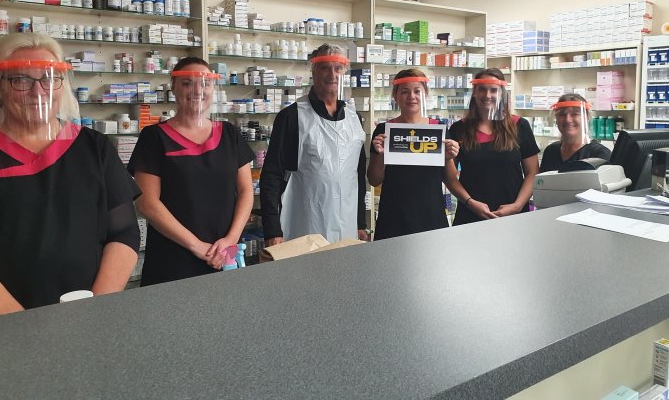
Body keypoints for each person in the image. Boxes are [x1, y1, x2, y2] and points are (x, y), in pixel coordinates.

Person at [0, 33, 140, 318]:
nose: (39, 93)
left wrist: (95, 310)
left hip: (88, 318)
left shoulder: (94, 147)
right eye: (21, 80)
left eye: (49, 79)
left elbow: (123, 232)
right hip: (2, 327)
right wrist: (28, 328)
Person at [128, 57, 254, 286]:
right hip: (173, 258)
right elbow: (146, 202)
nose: (197, 90)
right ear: (173, 88)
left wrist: (230, 240)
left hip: (225, 254)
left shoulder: (229, 134)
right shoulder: (154, 137)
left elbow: (246, 191)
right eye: (187, 83)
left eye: (205, 83)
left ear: (213, 89)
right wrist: (198, 246)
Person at [260, 43, 368, 245]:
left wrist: (360, 222)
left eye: (338, 68)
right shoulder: (293, 116)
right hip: (304, 223)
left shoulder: (355, 119)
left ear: (344, 73)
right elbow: (271, 175)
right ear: (313, 71)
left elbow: (358, 175)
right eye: (325, 67)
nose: (332, 74)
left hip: (347, 224)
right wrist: (272, 230)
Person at [367, 69, 459, 240]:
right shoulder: (384, 130)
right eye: (404, 91)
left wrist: (449, 157)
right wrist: (380, 154)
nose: (412, 96)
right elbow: (374, 179)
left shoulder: (438, 130)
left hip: (431, 215)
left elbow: (451, 178)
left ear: (426, 94)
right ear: (395, 95)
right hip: (393, 217)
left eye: (417, 91)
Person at [445, 68, 540, 225]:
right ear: (474, 93)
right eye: (482, 89)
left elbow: (532, 172)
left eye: (493, 90)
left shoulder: (519, 125)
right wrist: (470, 202)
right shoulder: (459, 129)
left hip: (513, 215)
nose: (487, 95)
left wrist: (517, 206)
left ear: (502, 93)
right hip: (470, 215)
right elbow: (449, 176)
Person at [540, 93, 611, 172]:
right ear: (556, 119)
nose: (568, 120)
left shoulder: (600, 155)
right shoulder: (551, 151)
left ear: (586, 118)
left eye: (575, 114)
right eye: (562, 114)